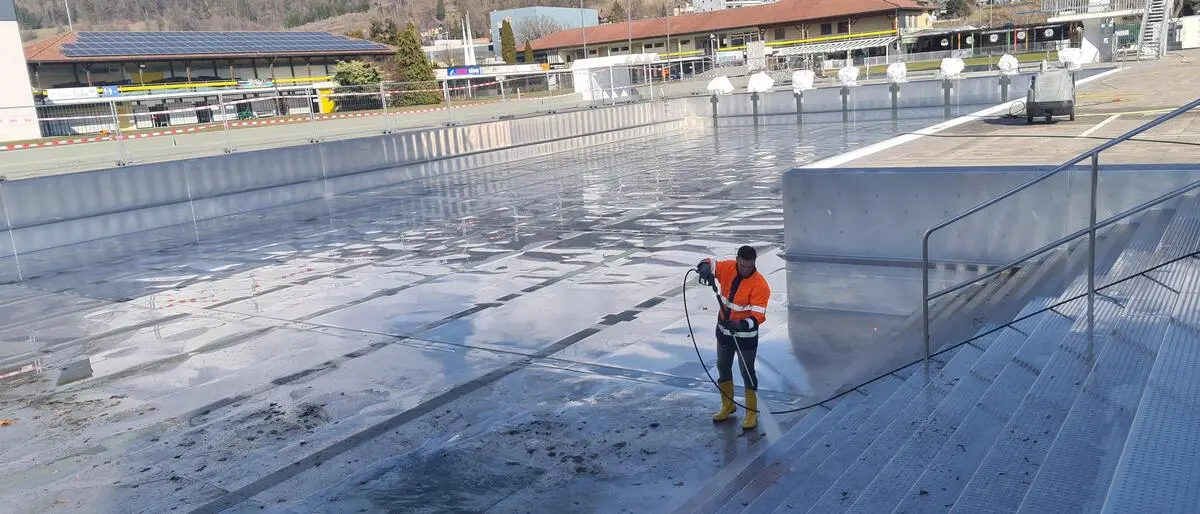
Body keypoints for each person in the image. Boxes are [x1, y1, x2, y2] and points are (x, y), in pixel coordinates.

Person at [695, 245, 770, 430]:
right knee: (723, 367)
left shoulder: (760, 285)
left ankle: (751, 412)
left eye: (750, 266)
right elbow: (710, 263)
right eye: (743, 265)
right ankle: (728, 406)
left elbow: (759, 315)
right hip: (723, 332)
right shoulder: (727, 268)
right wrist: (704, 268)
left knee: (747, 372)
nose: (746, 270)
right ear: (737, 260)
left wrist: (741, 324)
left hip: (746, 336)